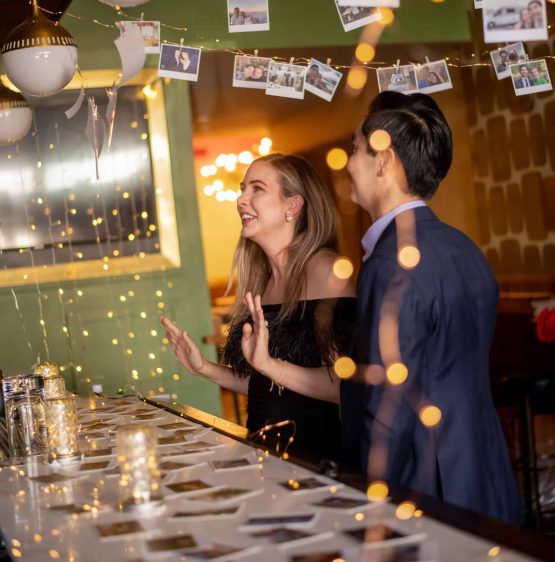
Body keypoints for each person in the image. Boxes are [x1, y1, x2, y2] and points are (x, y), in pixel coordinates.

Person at [340, 91, 523, 524]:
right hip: (486, 475)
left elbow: (387, 409)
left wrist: (370, 506)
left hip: (427, 490)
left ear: (383, 161)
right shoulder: (465, 249)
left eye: (355, 149)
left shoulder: (390, 264)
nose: (348, 163)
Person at [162, 154, 356, 460]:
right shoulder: (259, 281)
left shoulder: (327, 272)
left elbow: (347, 388)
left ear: (292, 206)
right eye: (242, 189)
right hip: (265, 454)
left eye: (257, 189)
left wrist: (269, 365)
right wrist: (204, 368)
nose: (241, 200)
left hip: (318, 461)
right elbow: (268, 385)